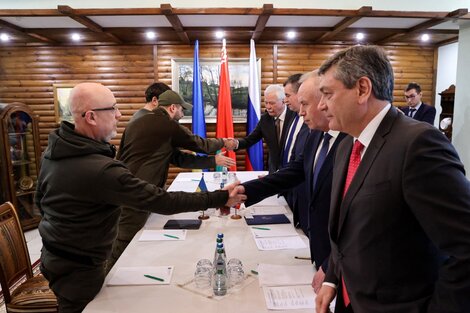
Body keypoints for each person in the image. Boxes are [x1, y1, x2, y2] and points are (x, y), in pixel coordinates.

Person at [35, 82, 245, 313]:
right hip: (81, 268)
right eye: (112, 108)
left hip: (57, 257)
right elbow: (162, 201)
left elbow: (40, 202)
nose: (119, 114)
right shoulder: (99, 169)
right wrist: (220, 198)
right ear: (92, 117)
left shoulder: (55, 152)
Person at [315, 45, 470, 313]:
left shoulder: (418, 144)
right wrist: (332, 278)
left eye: (328, 94)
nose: (321, 105)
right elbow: (348, 231)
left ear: (362, 89)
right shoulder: (346, 146)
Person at [238, 71, 346, 293]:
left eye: (305, 103)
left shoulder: (351, 140)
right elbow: (296, 171)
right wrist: (244, 191)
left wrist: (332, 266)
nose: (300, 111)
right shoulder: (316, 134)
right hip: (320, 251)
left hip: (343, 267)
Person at [108, 89, 236, 270]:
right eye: (182, 110)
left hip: (123, 185)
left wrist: (212, 160)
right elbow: (200, 144)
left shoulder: (138, 122)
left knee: (131, 238)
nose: (183, 114)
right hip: (138, 192)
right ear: (172, 108)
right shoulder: (168, 126)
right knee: (125, 241)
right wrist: (224, 142)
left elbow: (178, 158)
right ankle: (104, 289)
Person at [234, 84, 296, 173]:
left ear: (283, 101)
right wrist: (236, 144)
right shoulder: (265, 119)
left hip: (292, 170)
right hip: (273, 171)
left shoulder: (295, 116)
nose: (268, 107)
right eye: (266, 102)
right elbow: (250, 140)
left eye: (272, 103)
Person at [281, 73, 310, 233]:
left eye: (287, 95)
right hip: (289, 188)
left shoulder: (314, 126)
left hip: (302, 193)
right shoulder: (292, 115)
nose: (284, 100)